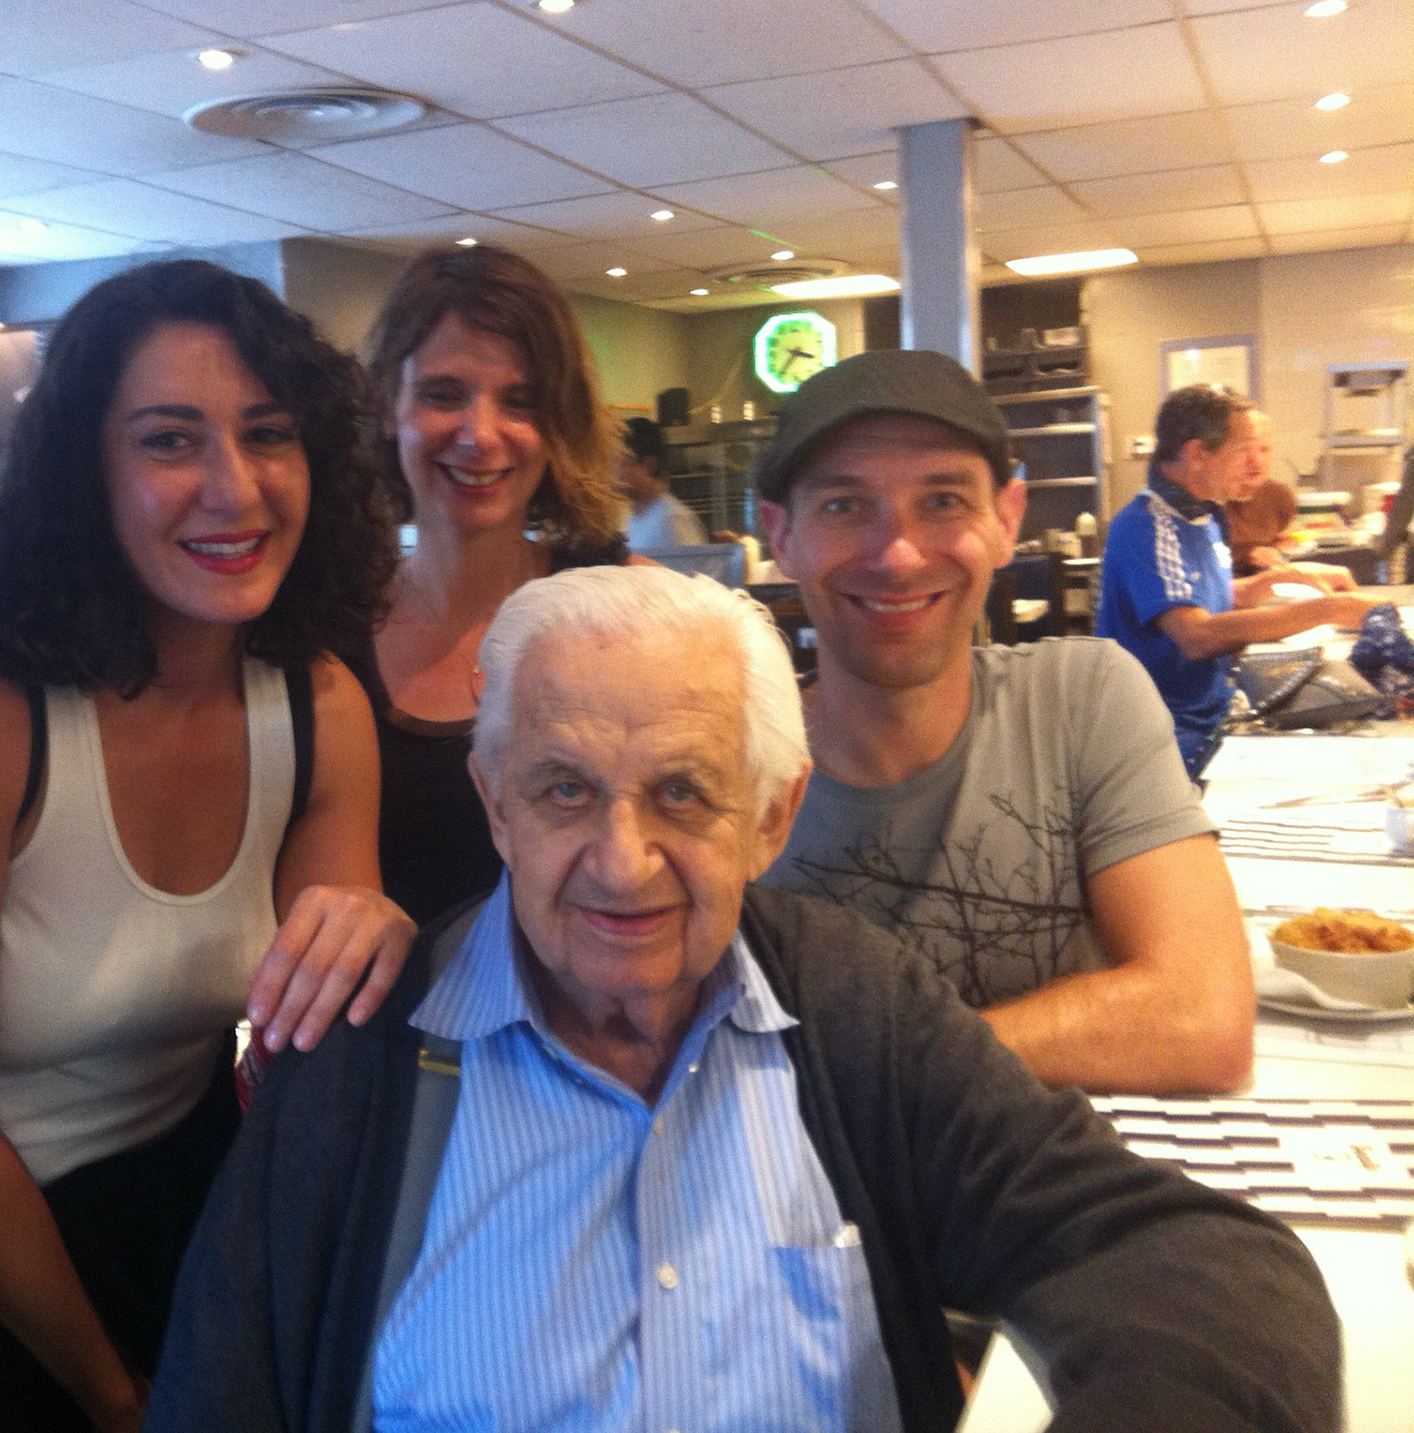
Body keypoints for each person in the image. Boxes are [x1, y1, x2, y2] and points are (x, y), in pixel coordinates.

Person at [144, 565, 1339, 1433]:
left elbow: (1206, 1267)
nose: (621, 859)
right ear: (493, 802)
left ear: (773, 814)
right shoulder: (355, 1067)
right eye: (563, 789)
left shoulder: (855, 1013)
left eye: (682, 793)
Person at [0, 259, 413, 1432]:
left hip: (198, 1202)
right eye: (170, 441)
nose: (236, 487)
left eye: (269, 435)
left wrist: (379, 934)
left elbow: (318, 1024)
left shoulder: (318, 703)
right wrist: (118, 1394)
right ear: (84, 478)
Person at [752, 350, 1252, 1094]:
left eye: (944, 501)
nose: (897, 554)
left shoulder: (1083, 700)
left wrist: (899, 1068)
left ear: (1006, 519)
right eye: (844, 505)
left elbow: (1205, 1020)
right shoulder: (729, 769)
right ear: (780, 535)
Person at [346, 242, 631, 927]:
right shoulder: (324, 637)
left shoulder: (625, 609)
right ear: (388, 404)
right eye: (444, 394)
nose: (480, 434)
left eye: (520, 401)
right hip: (389, 1028)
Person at [1096, 384, 1370, 776]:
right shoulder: (1147, 525)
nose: (1253, 464)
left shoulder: (1204, 516)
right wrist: (1330, 609)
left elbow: (1206, 598)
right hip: (1165, 734)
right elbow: (1198, 636)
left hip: (1214, 708)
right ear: (1196, 455)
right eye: (1242, 449)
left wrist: (1273, 581)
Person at [1222, 410, 1299, 574]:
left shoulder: (1278, 496)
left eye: (1264, 450)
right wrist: (1245, 555)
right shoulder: (1205, 499)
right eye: (1243, 450)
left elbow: (1286, 541)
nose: (1256, 461)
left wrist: (1280, 551)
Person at [617, 415, 705, 548]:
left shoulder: (673, 519)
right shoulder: (630, 518)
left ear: (648, 464)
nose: (612, 469)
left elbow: (694, 568)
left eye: (619, 460)